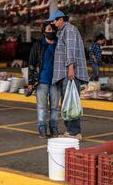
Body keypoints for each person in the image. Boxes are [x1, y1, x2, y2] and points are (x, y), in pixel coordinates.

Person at [48, 10, 89, 140]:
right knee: (67, 102)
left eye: (54, 21)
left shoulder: (69, 30)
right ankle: (70, 130)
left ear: (61, 19)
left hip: (69, 73)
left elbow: (70, 50)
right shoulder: (63, 31)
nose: (53, 24)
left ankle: (75, 132)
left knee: (71, 103)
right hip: (65, 73)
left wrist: (70, 68)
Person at [28, 23, 60, 138]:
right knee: (42, 106)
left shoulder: (59, 43)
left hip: (56, 80)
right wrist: (30, 82)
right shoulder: (38, 45)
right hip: (41, 81)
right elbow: (31, 63)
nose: (51, 31)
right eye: (49, 29)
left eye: (53, 29)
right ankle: (42, 128)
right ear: (44, 31)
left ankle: (54, 128)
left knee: (55, 107)